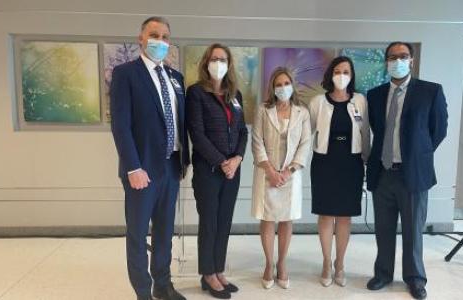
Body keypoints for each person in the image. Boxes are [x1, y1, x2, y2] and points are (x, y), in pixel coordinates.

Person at [110, 16, 189, 300]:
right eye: (154, 34)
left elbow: (180, 123)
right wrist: (133, 166)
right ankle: (142, 292)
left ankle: (163, 285)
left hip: (171, 166)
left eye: (165, 36)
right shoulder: (125, 74)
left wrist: (184, 163)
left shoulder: (176, 78)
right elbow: (120, 124)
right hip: (141, 169)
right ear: (141, 39)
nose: (160, 41)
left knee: (165, 232)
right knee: (137, 234)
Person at [365, 42, 448, 300]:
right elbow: (377, 131)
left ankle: (415, 279)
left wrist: (417, 154)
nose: (397, 61)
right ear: (386, 62)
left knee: (413, 231)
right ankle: (383, 273)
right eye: (392, 57)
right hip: (383, 172)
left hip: (413, 174)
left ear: (411, 60)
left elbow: (438, 130)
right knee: (383, 229)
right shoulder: (375, 94)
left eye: (402, 56)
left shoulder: (430, 91)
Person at [186, 43, 248, 299]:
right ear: (206, 62)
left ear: (229, 64)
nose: (218, 63)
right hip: (208, 171)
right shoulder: (197, 93)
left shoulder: (236, 95)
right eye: (214, 58)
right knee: (209, 223)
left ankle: (218, 269)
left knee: (224, 223)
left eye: (223, 59)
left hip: (233, 171)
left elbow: (243, 131)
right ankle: (207, 273)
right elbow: (197, 134)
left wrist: (238, 159)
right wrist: (223, 161)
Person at [308, 56, 370, 287]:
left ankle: (340, 264)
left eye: (346, 71)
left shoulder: (360, 101)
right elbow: (307, 134)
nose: (341, 75)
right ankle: (326, 263)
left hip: (351, 164)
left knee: (344, 216)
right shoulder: (317, 102)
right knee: (325, 215)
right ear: (330, 75)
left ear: (352, 75)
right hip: (324, 163)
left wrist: (367, 159)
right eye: (337, 71)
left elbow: (366, 133)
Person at [251, 67, 312, 289]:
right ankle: (268, 264)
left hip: (291, 175)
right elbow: (257, 141)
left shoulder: (302, 112)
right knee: (267, 219)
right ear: (272, 88)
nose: (283, 88)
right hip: (267, 173)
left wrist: (288, 171)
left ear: (292, 85)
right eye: (278, 84)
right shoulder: (263, 110)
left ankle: (282, 264)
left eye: (286, 83)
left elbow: (305, 144)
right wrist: (270, 170)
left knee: (286, 220)